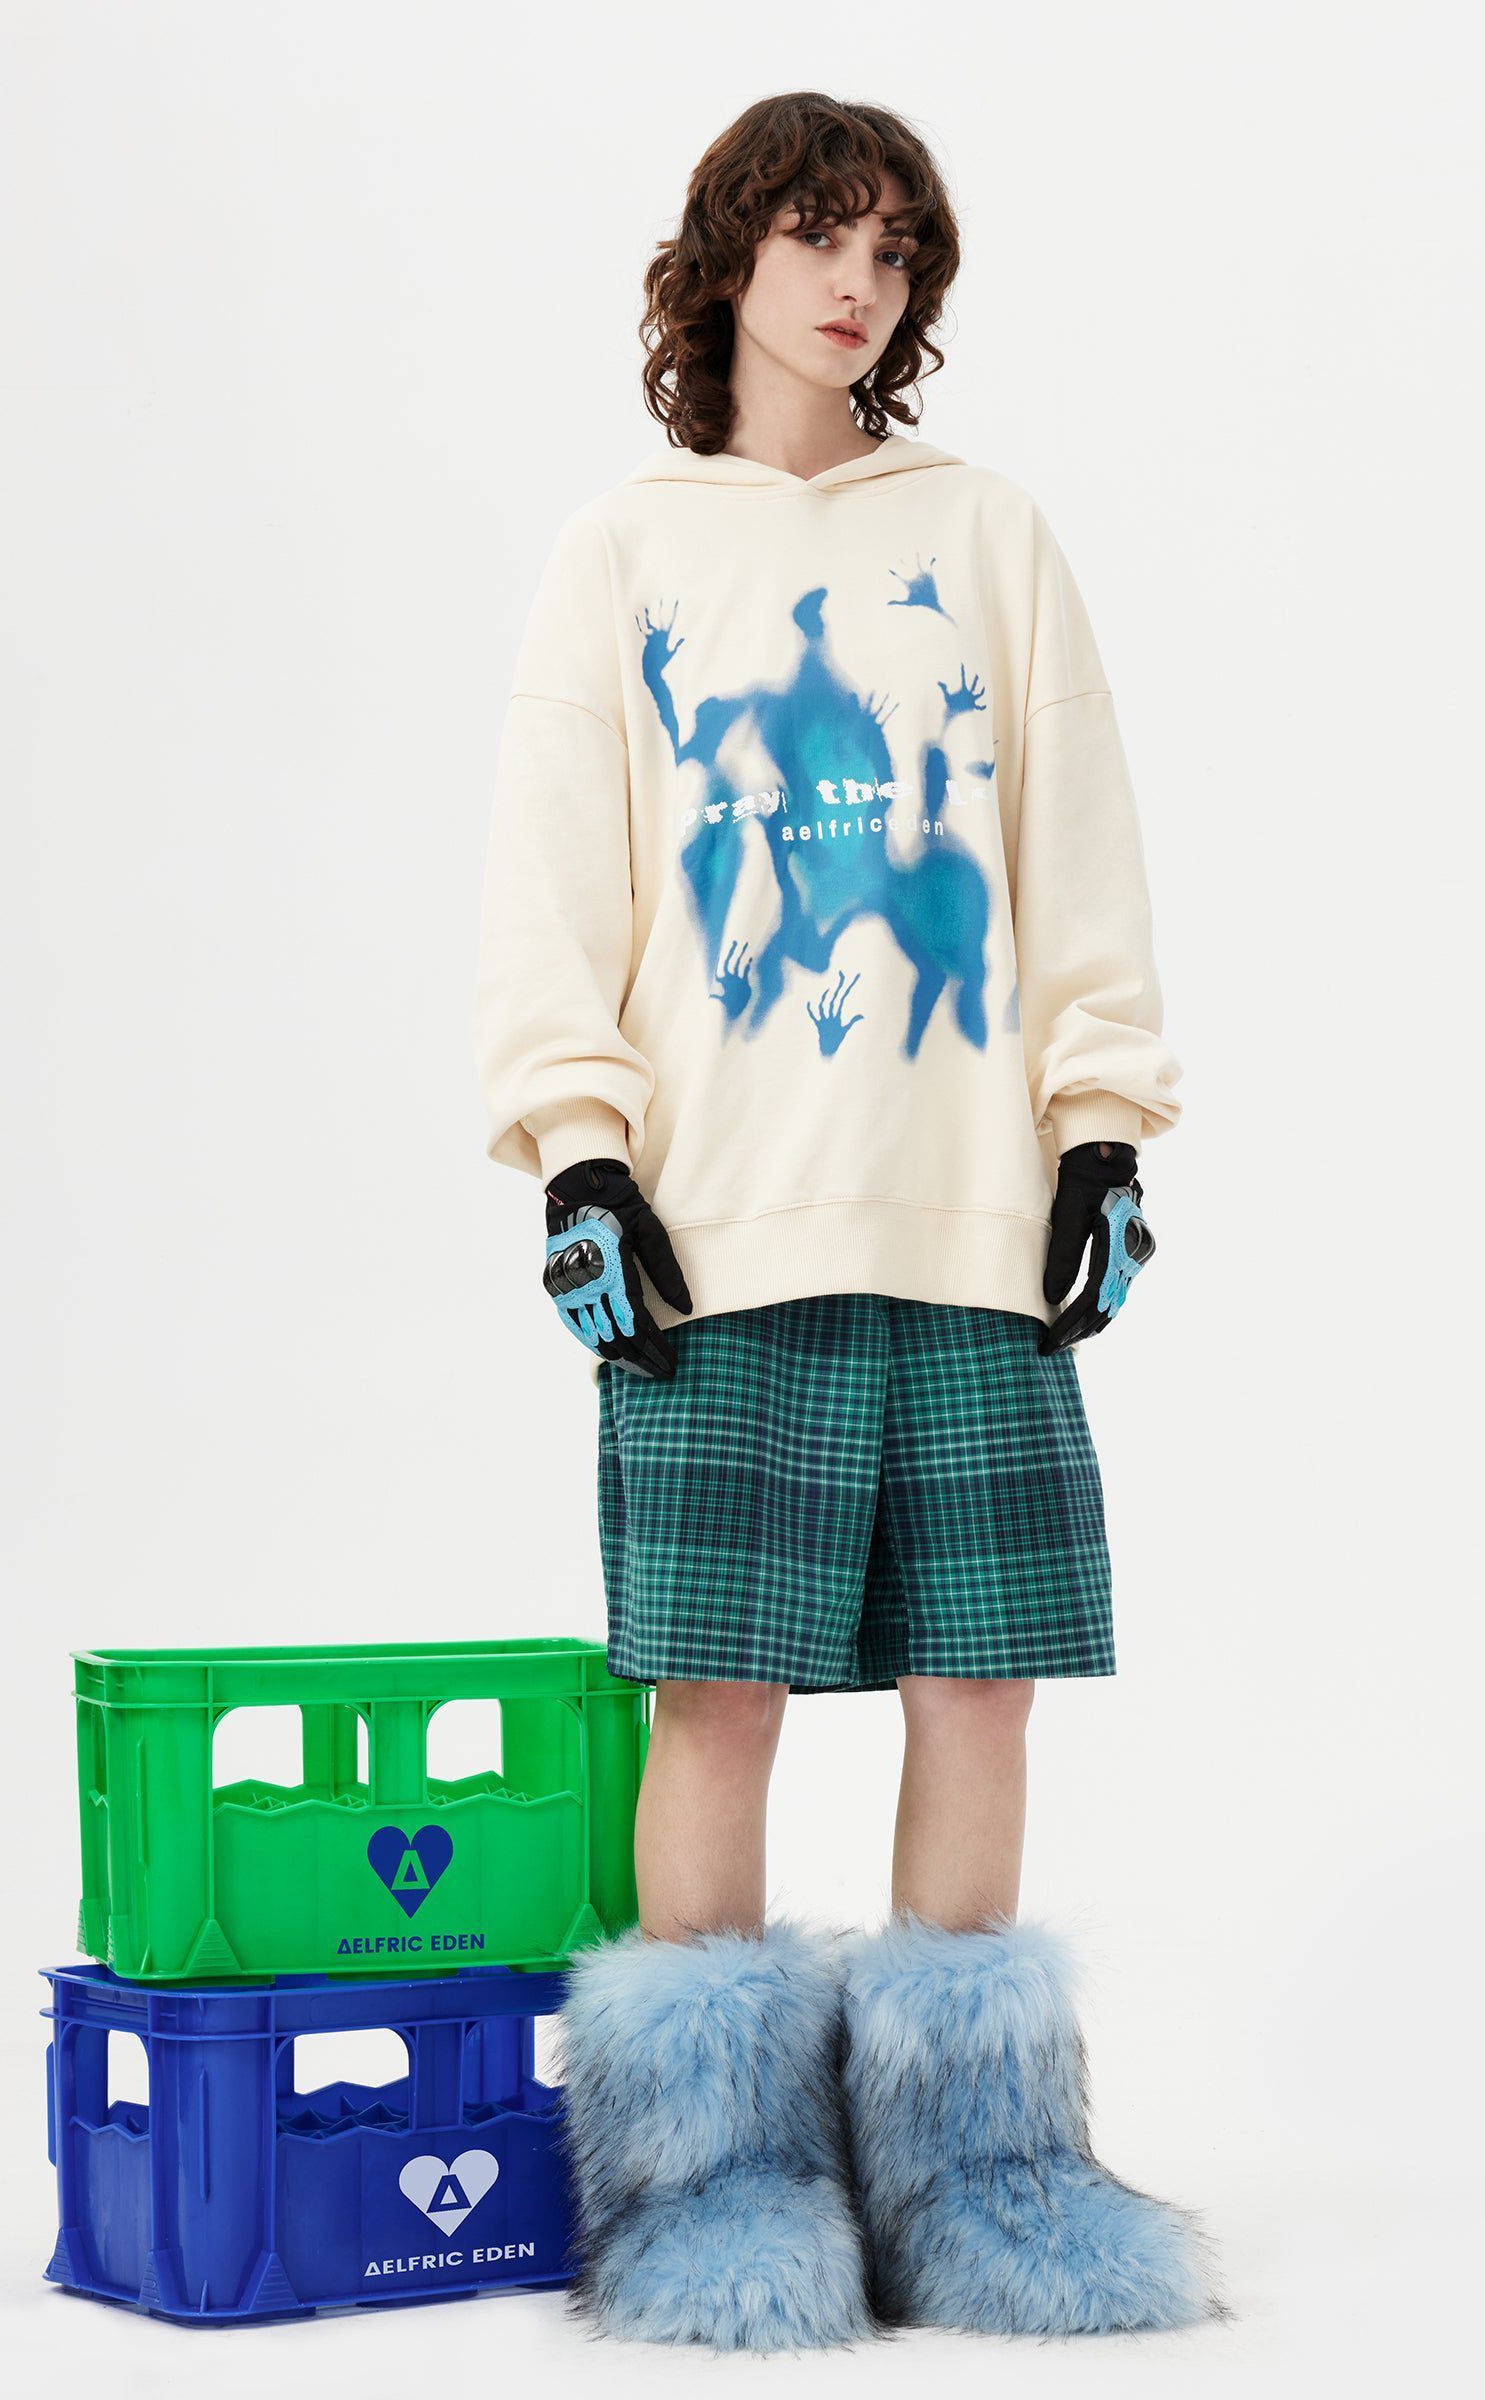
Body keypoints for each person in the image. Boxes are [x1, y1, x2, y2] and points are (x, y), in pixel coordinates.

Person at [474, 89, 1218, 2351]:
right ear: (729, 257)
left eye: (896, 254)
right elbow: (551, 894)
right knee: (717, 1700)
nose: (859, 285)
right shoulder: (624, 550)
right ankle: (709, 2195)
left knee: (980, 1689)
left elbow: (1077, 851)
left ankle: (984, 2179)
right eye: (821, 235)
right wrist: (582, 1159)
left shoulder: (987, 535)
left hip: (969, 1224)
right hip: (721, 1232)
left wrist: (1100, 1130)